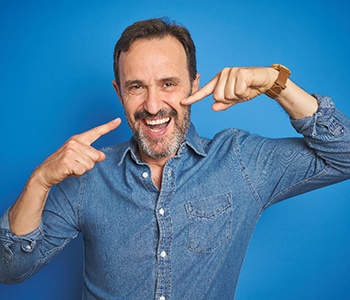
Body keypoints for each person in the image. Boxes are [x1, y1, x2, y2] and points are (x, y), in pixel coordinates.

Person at [0, 17, 349, 300]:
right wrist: (40, 180)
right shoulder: (87, 173)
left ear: (193, 84)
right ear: (119, 92)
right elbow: (9, 270)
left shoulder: (241, 161)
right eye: (136, 87)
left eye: (168, 84)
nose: (153, 106)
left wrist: (277, 83)